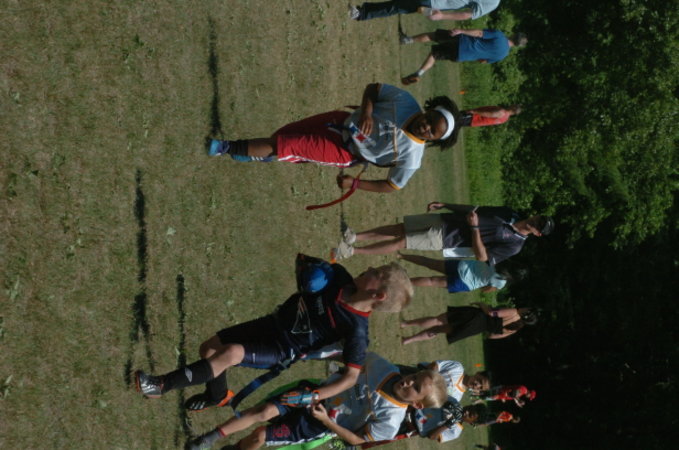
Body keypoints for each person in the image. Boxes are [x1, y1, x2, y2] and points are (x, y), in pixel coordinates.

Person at [134, 254, 414, 413]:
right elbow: (302, 264)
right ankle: (217, 396)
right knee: (208, 350)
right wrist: (308, 273)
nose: (369, 268)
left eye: (376, 272)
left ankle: (160, 385)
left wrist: (314, 396)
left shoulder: (356, 331)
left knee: (230, 353)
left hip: (282, 349)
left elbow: (350, 377)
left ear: (377, 295)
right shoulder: (339, 276)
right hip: (271, 323)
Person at [209, 83, 460, 193]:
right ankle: (260, 154)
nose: (426, 127)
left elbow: (392, 185)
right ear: (429, 110)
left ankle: (224, 147)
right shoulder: (405, 101)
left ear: (434, 140)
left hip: (344, 151)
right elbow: (374, 88)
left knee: (286, 144)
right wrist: (367, 112)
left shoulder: (413, 157)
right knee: (283, 135)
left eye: (432, 132)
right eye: (430, 119)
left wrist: (356, 184)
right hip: (340, 121)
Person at [185, 352, 448, 450]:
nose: (408, 382)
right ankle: (207, 439)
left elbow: (357, 440)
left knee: (260, 436)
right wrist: (313, 355)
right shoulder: (382, 367)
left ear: (417, 405)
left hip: (317, 424)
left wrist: (326, 421)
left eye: (415, 387)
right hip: (312, 393)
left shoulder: (391, 421)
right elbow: (348, 356)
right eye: (413, 377)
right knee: (263, 411)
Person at [332, 202, 554, 265]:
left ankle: (352, 251)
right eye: (539, 219)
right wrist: (447, 205)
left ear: (537, 234)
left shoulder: (515, 245)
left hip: (449, 238)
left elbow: (482, 257)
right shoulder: (509, 213)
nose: (535, 222)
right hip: (447, 220)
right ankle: (355, 237)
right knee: (400, 228)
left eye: (539, 226)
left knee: (402, 241)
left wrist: (475, 229)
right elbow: (475, 209)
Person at [399, 29, 527, 84]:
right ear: (516, 45)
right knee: (434, 55)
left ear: (514, 35)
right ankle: (419, 73)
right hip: (462, 56)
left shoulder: (500, 35)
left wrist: (462, 31)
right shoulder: (503, 55)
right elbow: (483, 61)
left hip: (462, 41)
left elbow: (479, 33)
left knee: (434, 36)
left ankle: (407, 40)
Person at [400, 304, 537, 345]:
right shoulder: (515, 329)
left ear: (526, 311)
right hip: (474, 329)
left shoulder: (514, 312)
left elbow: (492, 313)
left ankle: (406, 324)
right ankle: (408, 340)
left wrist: (482, 304)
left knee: (437, 320)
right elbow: (491, 336)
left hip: (474, 317)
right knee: (438, 330)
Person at [397, 252, 526, 293]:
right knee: (431, 281)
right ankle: (401, 283)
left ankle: (402, 256)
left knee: (429, 262)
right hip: (465, 283)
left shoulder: (500, 260)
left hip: (462, 266)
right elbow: (485, 290)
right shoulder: (501, 283)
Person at [348, 1, 500, 22]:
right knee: (397, 3)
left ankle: (361, 13)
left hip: (433, 2)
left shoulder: (492, 2)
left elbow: (468, 14)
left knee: (398, 6)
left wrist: (442, 16)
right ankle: (363, 11)